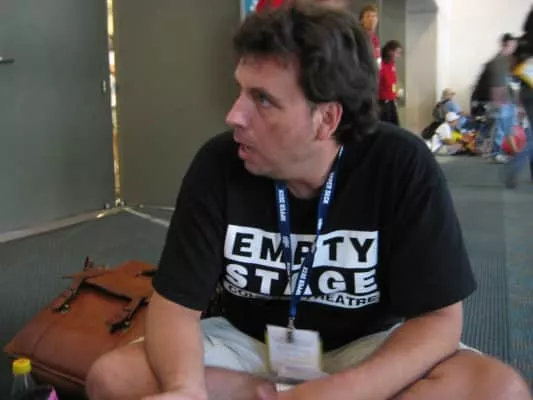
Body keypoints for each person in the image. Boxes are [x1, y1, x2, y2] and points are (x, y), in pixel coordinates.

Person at [86, 4, 532, 400]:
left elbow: (440, 320)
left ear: (326, 118)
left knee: (501, 391)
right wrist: (187, 387)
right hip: (247, 345)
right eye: (241, 90)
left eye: (262, 99)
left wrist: (341, 391)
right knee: (114, 377)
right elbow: (175, 305)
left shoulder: (400, 164)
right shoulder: (218, 163)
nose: (234, 115)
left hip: (369, 346)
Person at [378, 40, 402, 126]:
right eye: (397, 53)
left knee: (396, 126)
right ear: (390, 52)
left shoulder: (392, 64)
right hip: (382, 103)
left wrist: (395, 93)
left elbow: (393, 82)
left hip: (391, 101)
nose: (398, 56)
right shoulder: (380, 64)